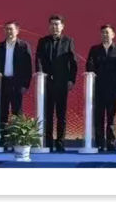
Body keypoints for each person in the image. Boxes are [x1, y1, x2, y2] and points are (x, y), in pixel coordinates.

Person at [36, 14, 78, 152]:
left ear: (62, 26)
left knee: (61, 115)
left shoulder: (69, 41)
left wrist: (71, 79)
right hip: (47, 82)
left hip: (62, 83)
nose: (54, 27)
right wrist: (40, 75)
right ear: (49, 26)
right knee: (47, 114)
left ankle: (60, 143)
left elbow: (73, 62)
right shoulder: (43, 41)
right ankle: (48, 143)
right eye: (52, 24)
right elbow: (39, 59)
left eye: (57, 24)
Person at [0, 20, 33, 149]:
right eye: (7, 29)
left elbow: (28, 67)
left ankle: (17, 140)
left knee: (17, 113)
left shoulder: (23, 46)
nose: (9, 31)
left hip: (17, 84)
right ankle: (3, 141)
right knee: (2, 113)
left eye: (11, 29)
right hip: (2, 83)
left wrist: (25, 85)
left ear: (17, 31)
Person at [86, 24, 116, 152]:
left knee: (111, 117)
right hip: (98, 88)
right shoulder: (94, 49)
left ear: (113, 34)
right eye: (103, 32)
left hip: (113, 89)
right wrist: (91, 71)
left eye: (107, 32)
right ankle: (100, 143)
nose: (105, 35)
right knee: (98, 117)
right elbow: (89, 63)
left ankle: (111, 143)